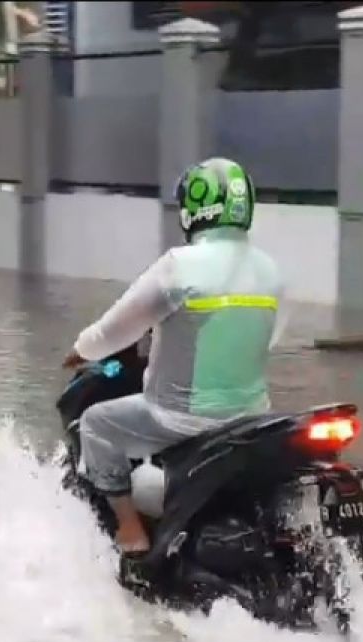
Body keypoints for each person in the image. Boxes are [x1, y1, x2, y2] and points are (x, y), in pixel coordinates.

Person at [62, 157, 285, 575]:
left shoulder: (178, 267)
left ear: (194, 207)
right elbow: (271, 338)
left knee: (95, 424)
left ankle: (130, 529)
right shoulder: (271, 271)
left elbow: (114, 331)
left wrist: (81, 349)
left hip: (181, 418)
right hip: (252, 419)